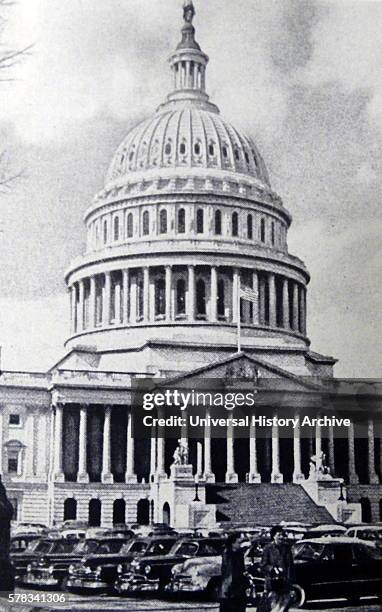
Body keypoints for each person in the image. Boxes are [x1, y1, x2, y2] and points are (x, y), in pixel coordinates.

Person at [259, 525, 295, 612]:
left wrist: (291, 583)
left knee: (284, 607)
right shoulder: (267, 548)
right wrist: (273, 569)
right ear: (273, 536)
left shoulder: (286, 548)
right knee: (274, 606)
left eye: (282, 535)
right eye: (279, 535)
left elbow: (290, 566)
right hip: (273, 583)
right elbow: (263, 565)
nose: (281, 537)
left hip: (285, 582)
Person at [219, 531, 247, 612]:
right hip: (230, 588)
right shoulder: (227, 554)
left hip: (239, 587)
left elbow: (241, 569)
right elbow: (228, 572)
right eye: (238, 542)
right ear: (232, 543)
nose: (240, 545)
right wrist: (227, 588)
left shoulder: (239, 554)